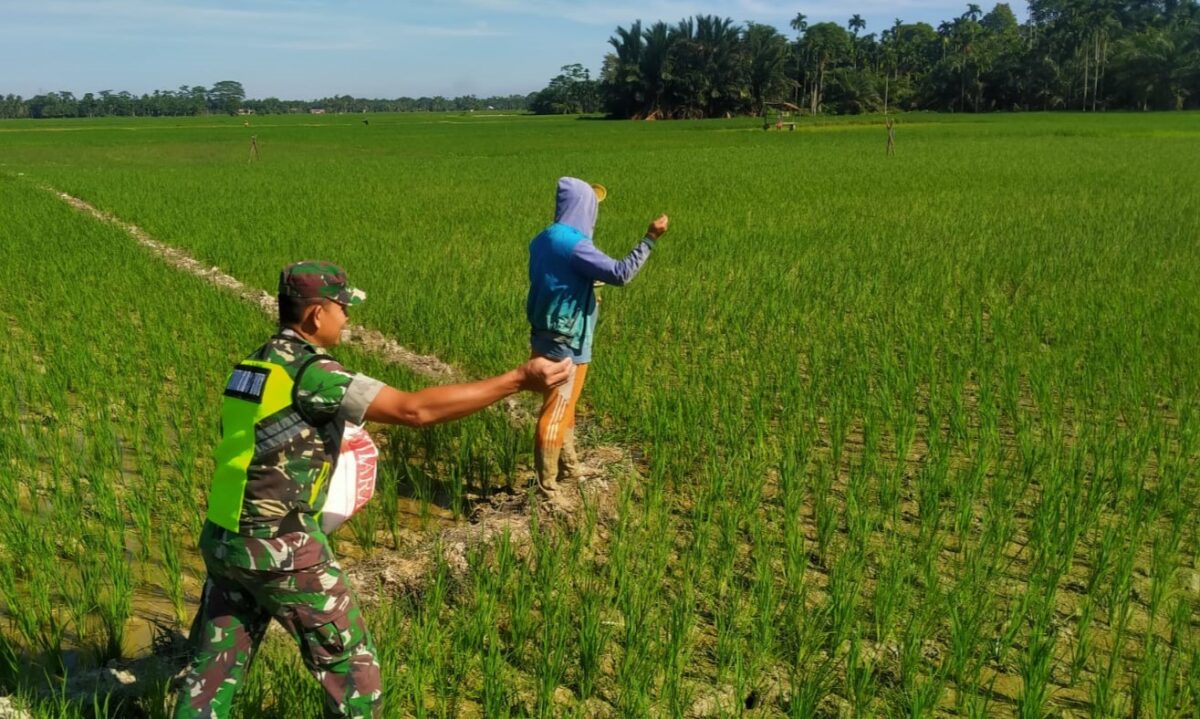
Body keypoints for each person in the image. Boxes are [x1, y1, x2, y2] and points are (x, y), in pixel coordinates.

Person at [174, 261, 570, 719]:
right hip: (280, 548)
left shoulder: (250, 368)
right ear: (315, 316)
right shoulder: (312, 374)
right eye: (342, 308)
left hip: (224, 542)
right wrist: (517, 380)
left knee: (211, 676)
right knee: (355, 675)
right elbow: (412, 410)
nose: (347, 318)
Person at [525, 177, 669, 494]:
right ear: (583, 207)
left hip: (544, 334)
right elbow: (621, 273)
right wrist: (650, 239)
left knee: (564, 407)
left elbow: (557, 280)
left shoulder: (543, 239)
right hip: (567, 341)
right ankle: (547, 486)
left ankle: (570, 467)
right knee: (556, 411)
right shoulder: (574, 245)